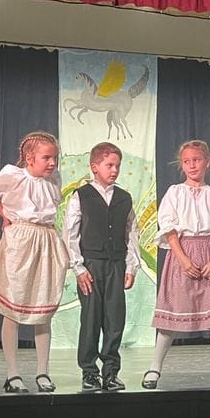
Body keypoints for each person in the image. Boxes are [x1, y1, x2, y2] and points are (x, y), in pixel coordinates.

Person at [145, 140, 210, 389]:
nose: (192, 165)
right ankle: (154, 368)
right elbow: (169, 228)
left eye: (196, 160)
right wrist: (183, 260)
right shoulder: (175, 192)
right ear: (182, 165)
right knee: (172, 315)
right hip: (182, 255)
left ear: (207, 162)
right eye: (187, 161)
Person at [0, 131, 68, 394]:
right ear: (30, 158)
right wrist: (6, 217)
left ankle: (43, 371)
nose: (52, 163)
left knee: (43, 310)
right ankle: (13, 373)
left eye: (55, 158)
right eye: (47, 158)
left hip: (46, 239)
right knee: (13, 307)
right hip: (20, 240)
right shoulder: (13, 175)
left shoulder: (53, 179)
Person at [64, 141, 139, 392]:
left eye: (117, 165)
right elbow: (70, 234)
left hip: (116, 265)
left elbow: (132, 233)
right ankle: (89, 371)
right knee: (91, 319)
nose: (114, 170)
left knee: (114, 319)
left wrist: (131, 266)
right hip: (91, 266)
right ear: (95, 166)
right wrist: (78, 267)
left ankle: (111, 371)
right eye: (109, 165)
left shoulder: (124, 198)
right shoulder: (81, 195)